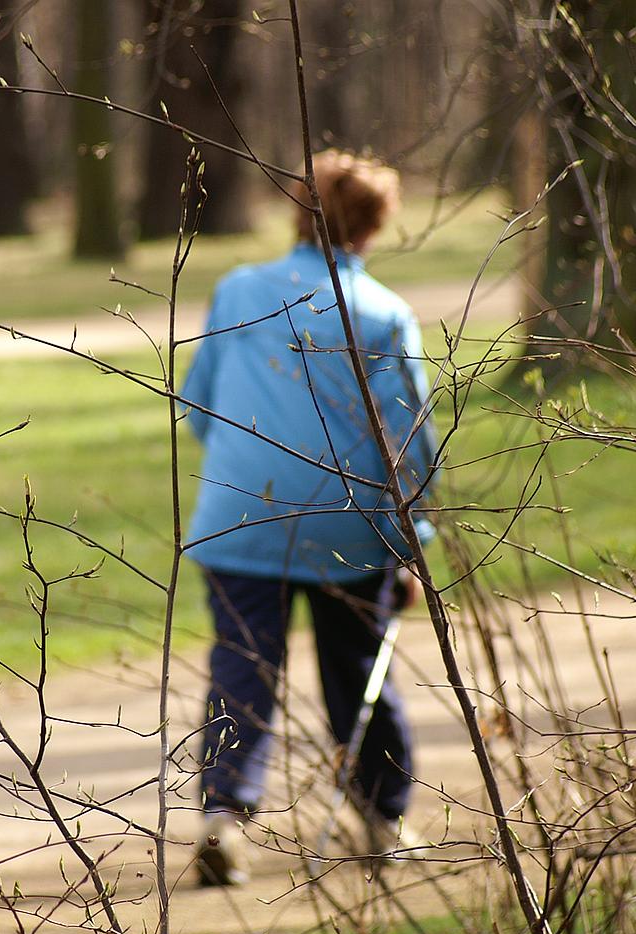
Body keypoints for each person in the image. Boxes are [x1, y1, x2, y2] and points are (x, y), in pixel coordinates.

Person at [181, 151, 437, 885]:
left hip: (239, 515)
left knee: (241, 667)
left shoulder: (238, 293)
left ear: (298, 212)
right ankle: (384, 817)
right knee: (356, 671)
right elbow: (409, 444)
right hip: (348, 526)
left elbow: (199, 402)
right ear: (375, 225)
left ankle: (224, 817)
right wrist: (412, 542)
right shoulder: (385, 314)